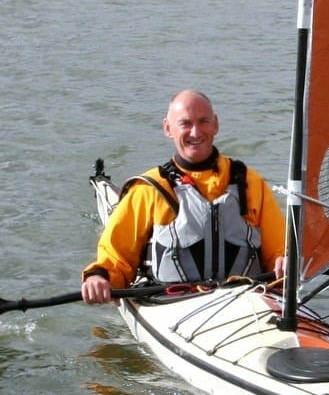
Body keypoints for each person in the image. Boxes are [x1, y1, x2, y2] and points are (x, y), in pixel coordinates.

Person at [81, 89, 288, 304]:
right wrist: (99, 277)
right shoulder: (149, 189)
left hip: (246, 300)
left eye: (203, 121)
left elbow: (279, 250)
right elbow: (116, 257)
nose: (196, 132)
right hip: (172, 303)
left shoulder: (251, 184)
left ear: (216, 124)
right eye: (185, 123)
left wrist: (285, 263)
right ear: (168, 129)